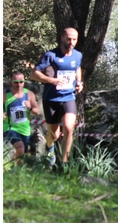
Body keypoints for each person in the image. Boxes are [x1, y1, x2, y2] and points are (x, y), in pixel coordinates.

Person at [31, 27, 84, 166]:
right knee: (54, 135)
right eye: (69, 39)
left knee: (68, 128)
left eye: (74, 39)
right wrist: (52, 80)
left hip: (68, 97)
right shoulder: (51, 55)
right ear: (62, 38)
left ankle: (64, 163)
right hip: (51, 99)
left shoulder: (77, 55)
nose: (71, 42)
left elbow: (77, 68)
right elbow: (34, 74)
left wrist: (79, 82)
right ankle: (50, 146)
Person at [3, 71, 41, 160]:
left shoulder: (29, 94)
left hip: (25, 128)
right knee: (20, 147)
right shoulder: (4, 94)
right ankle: (18, 170)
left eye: (21, 82)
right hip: (10, 127)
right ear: (11, 81)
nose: (19, 84)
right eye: (16, 82)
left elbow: (37, 111)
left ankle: (18, 171)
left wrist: (30, 108)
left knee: (23, 153)